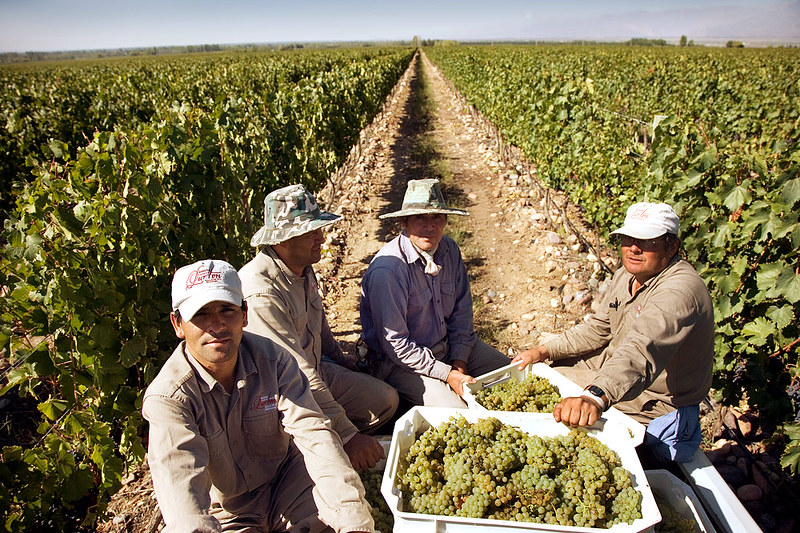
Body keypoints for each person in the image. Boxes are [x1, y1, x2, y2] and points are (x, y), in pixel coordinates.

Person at [143, 259, 374, 533]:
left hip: (289, 484)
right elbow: (182, 496)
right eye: (201, 314)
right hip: (227, 513)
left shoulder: (275, 362)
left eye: (227, 310)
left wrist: (352, 519)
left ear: (244, 314)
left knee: (337, 516)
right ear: (178, 324)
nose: (216, 325)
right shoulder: (169, 399)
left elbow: (315, 435)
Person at [512, 202, 714, 463]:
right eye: (628, 238)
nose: (633, 248)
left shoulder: (679, 292)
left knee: (566, 433)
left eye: (646, 241)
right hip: (613, 373)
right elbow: (597, 329)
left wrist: (594, 396)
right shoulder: (627, 275)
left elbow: (641, 352)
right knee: (543, 376)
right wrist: (543, 350)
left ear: (672, 246)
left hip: (653, 399)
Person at [239, 184, 398, 471]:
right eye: (310, 232)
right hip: (282, 396)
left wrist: (340, 360)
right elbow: (296, 373)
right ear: (283, 240)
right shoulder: (261, 293)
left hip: (315, 371)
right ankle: (316, 452)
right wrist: (348, 435)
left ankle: (333, 442)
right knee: (319, 447)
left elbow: (319, 324)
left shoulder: (301, 266)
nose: (321, 238)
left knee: (386, 401)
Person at [360, 178, 510, 408]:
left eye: (436, 217)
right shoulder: (389, 271)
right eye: (420, 217)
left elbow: (462, 313)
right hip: (400, 363)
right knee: (458, 413)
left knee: (511, 376)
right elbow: (396, 346)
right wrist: (448, 374)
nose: (430, 226)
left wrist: (459, 361)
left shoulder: (449, 250)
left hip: (446, 345)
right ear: (404, 222)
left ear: (445, 220)